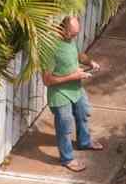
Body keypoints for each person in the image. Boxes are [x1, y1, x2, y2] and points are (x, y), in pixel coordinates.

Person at [40, 14, 99, 168]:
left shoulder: (69, 40)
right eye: (72, 34)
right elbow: (47, 80)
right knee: (65, 126)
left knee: (83, 112)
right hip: (60, 94)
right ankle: (67, 159)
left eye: (76, 34)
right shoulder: (51, 48)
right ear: (63, 29)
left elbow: (78, 55)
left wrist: (90, 62)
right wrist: (74, 75)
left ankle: (84, 142)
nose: (74, 37)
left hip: (76, 88)